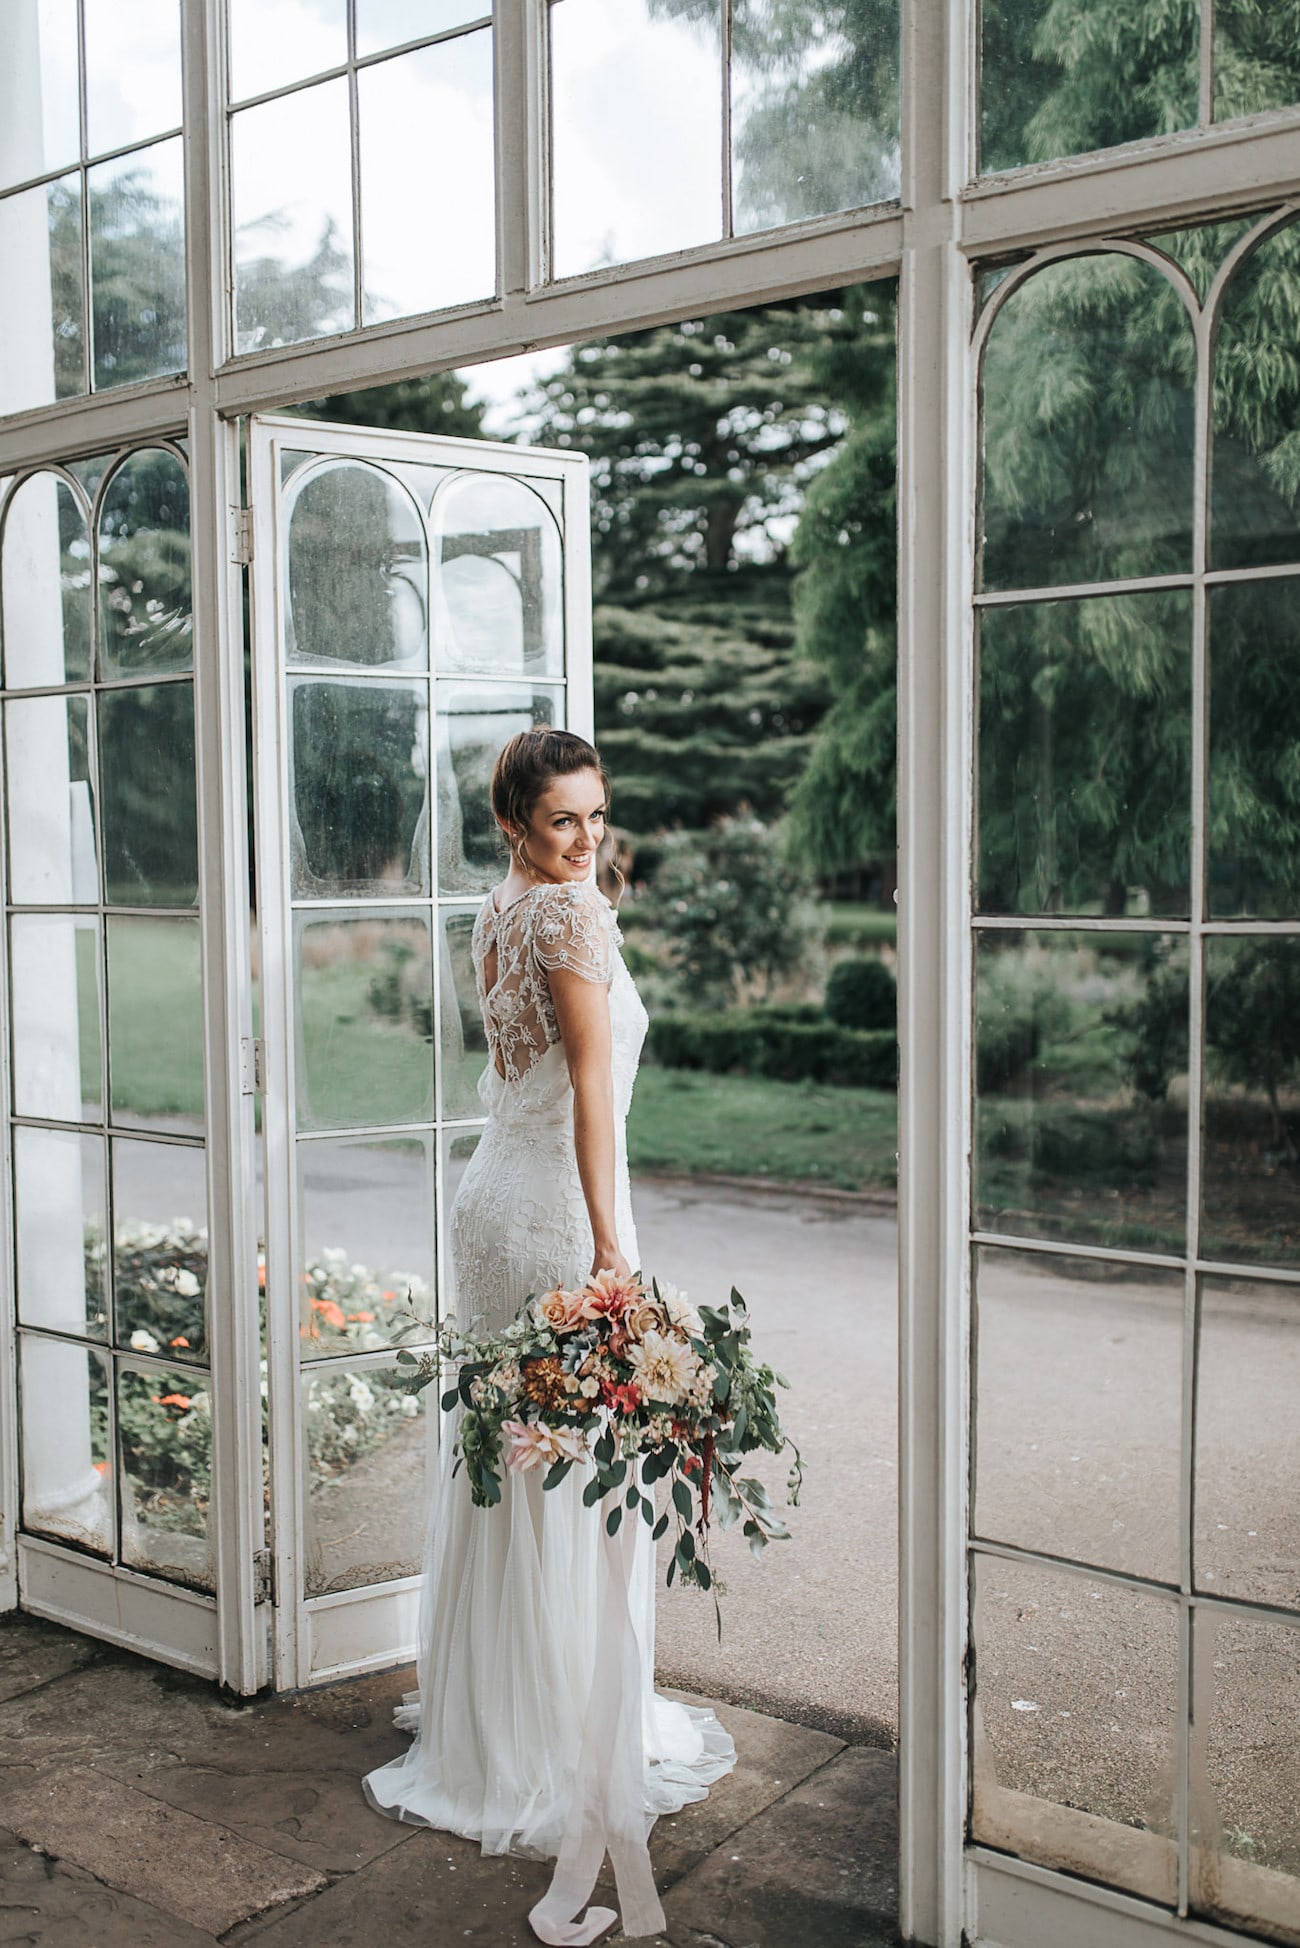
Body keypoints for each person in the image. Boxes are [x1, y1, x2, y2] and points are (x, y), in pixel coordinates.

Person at [364, 728, 735, 1943]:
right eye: (562, 820)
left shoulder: (506, 904)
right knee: (562, 1473)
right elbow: (586, 1082)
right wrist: (610, 1244)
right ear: (516, 821)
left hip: (495, 1204)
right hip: (547, 1222)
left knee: (515, 1468)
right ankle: (547, 1738)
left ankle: (502, 1719)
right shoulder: (567, 915)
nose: (585, 839)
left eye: (594, 815)